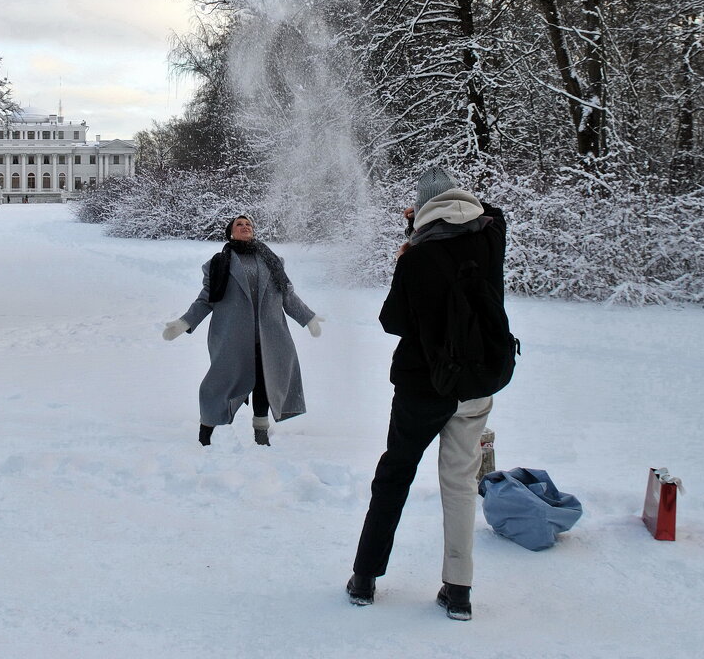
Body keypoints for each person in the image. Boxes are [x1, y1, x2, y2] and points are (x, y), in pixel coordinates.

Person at [345, 166, 507, 621]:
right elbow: (490, 214)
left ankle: (364, 579)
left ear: (420, 210)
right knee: (458, 485)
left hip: (423, 388)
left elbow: (392, 321)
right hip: (475, 386)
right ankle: (458, 590)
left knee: (395, 475)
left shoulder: (416, 257)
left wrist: (410, 242)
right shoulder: (493, 239)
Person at [162, 215, 324, 447]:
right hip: (232, 337)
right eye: (239, 224)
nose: (245, 226)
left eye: (249, 224)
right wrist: (184, 323)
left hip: (271, 337)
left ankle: (261, 433)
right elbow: (207, 299)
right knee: (218, 384)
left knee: (264, 383)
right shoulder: (218, 263)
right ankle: (205, 432)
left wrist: (308, 317)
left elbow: (287, 295)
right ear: (231, 233)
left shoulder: (273, 261)